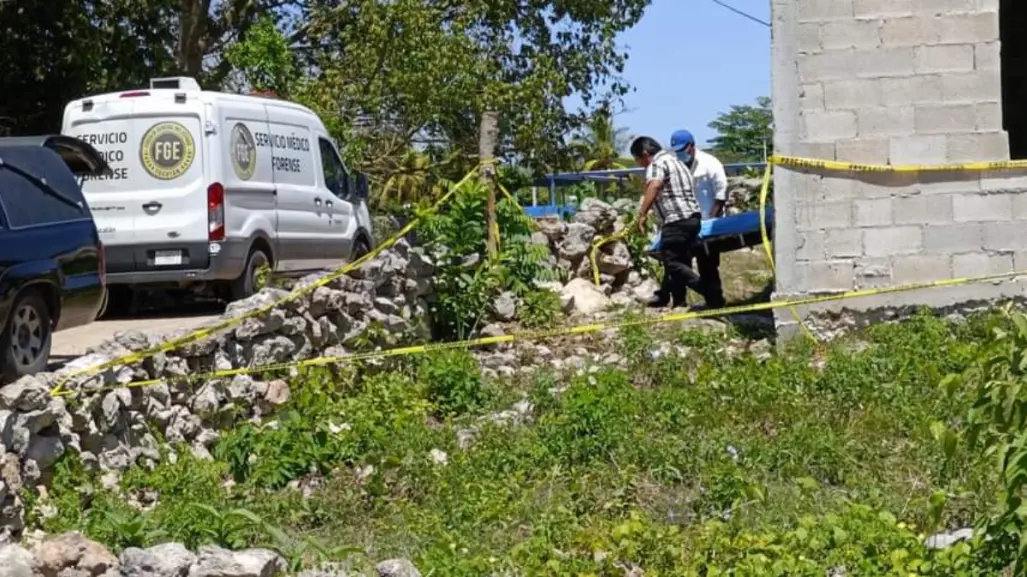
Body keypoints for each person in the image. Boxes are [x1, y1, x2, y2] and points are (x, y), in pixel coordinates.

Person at [630, 135, 710, 309]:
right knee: (676, 261)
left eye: (637, 159)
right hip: (693, 218)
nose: (638, 164)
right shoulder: (677, 163)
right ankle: (670, 299)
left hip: (676, 220)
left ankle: (709, 291)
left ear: (644, 154)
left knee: (673, 262)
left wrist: (642, 214)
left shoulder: (656, 165)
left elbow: (655, 185)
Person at [669, 129, 728, 309]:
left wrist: (710, 221)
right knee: (678, 264)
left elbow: (721, 193)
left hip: (708, 223)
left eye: (683, 149)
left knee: (707, 265)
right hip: (685, 222)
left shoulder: (710, 163)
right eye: (677, 150)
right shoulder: (676, 166)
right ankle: (679, 302)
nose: (681, 154)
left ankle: (714, 301)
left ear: (692, 146)